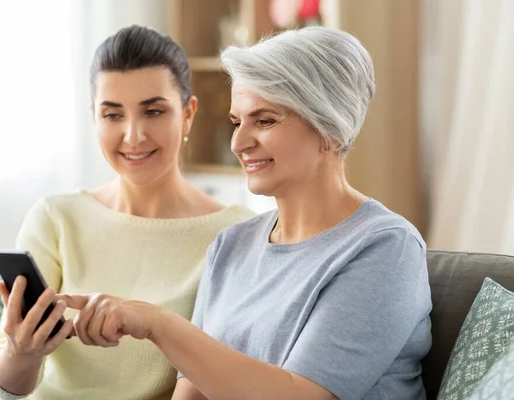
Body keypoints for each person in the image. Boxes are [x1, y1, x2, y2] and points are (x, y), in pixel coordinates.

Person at [59, 27, 433, 400]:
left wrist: (158, 323)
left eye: (265, 120)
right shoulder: (231, 245)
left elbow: (302, 397)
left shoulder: (385, 248)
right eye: (238, 122)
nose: (239, 143)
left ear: (330, 129)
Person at [0, 25, 254, 400]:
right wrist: (20, 352)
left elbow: (225, 375)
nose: (133, 135)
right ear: (94, 117)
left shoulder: (236, 232)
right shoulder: (55, 218)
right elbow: (9, 384)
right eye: (113, 115)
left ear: (188, 114)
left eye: (154, 111)